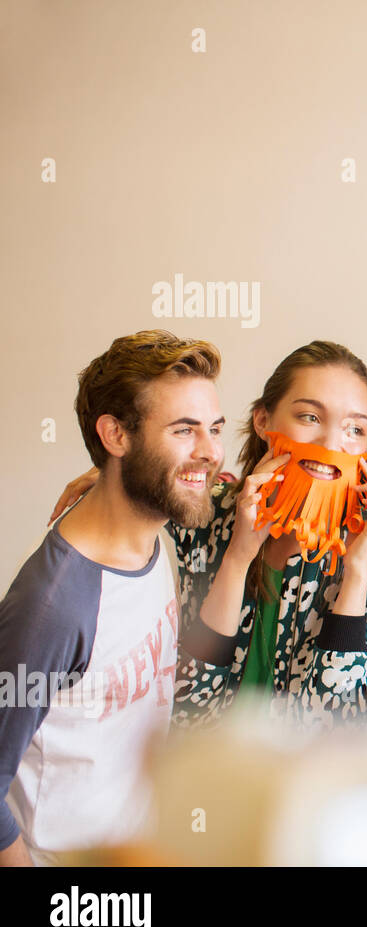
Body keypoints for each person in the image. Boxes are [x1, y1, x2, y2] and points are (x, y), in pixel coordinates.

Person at [51, 342, 367, 729]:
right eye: (310, 417)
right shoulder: (202, 516)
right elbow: (190, 706)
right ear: (263, 421)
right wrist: (237, 556)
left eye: (354, 428)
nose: (330, 444)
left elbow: (335, 728)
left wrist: (357, 572)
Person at [1, 331, 223, 866]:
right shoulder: (55, 605)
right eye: (183, 430)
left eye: (213, 428)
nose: (210, 452)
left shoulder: (158, 531)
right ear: (115, 435)